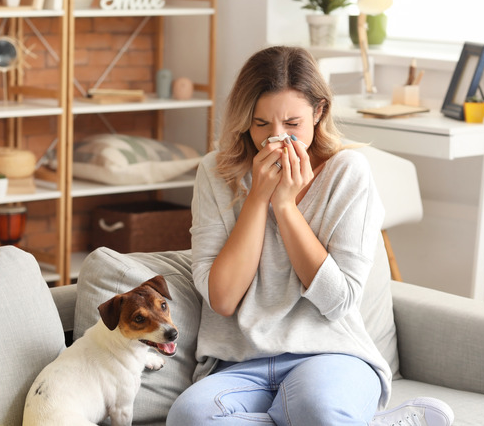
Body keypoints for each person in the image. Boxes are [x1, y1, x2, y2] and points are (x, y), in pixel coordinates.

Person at [166, 46, 454, 426]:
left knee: (313, 409)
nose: (277, 139)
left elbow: (338, 301)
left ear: (319, 112)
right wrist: (257, 199)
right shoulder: (215, 174)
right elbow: (222, 298)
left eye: (292, 123)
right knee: (188, 418)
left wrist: (285, 208)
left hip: (330, 355)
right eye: (261, 124)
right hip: (238, 363)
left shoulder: (348, 173)